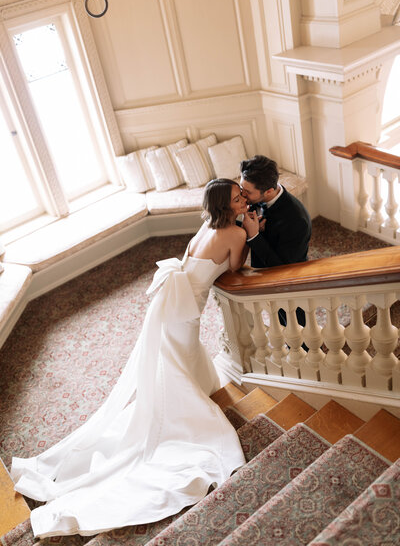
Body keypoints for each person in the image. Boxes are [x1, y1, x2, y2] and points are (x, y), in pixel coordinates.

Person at [10, 179, 248, 539]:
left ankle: (183, 398)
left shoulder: (208, 225)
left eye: (241, 194)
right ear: (224, 207)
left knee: (177, 364)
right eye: (237, 197)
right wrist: (253, 232)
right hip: (185, 313)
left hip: (175, 306)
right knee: (179, 366)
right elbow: (234, 271)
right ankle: (179, 416)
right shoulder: (235, 233)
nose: (243, 199)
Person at [240, 155, 312, 330]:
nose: (243, 195)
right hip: (264, 278)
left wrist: (255, 236)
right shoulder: (257, 200)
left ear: (269, 192)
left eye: (247, 192)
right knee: (279, 323)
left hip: (289, 285)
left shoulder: (296, 220)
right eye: (242, 188)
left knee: (296, 329)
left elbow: (283, 268)